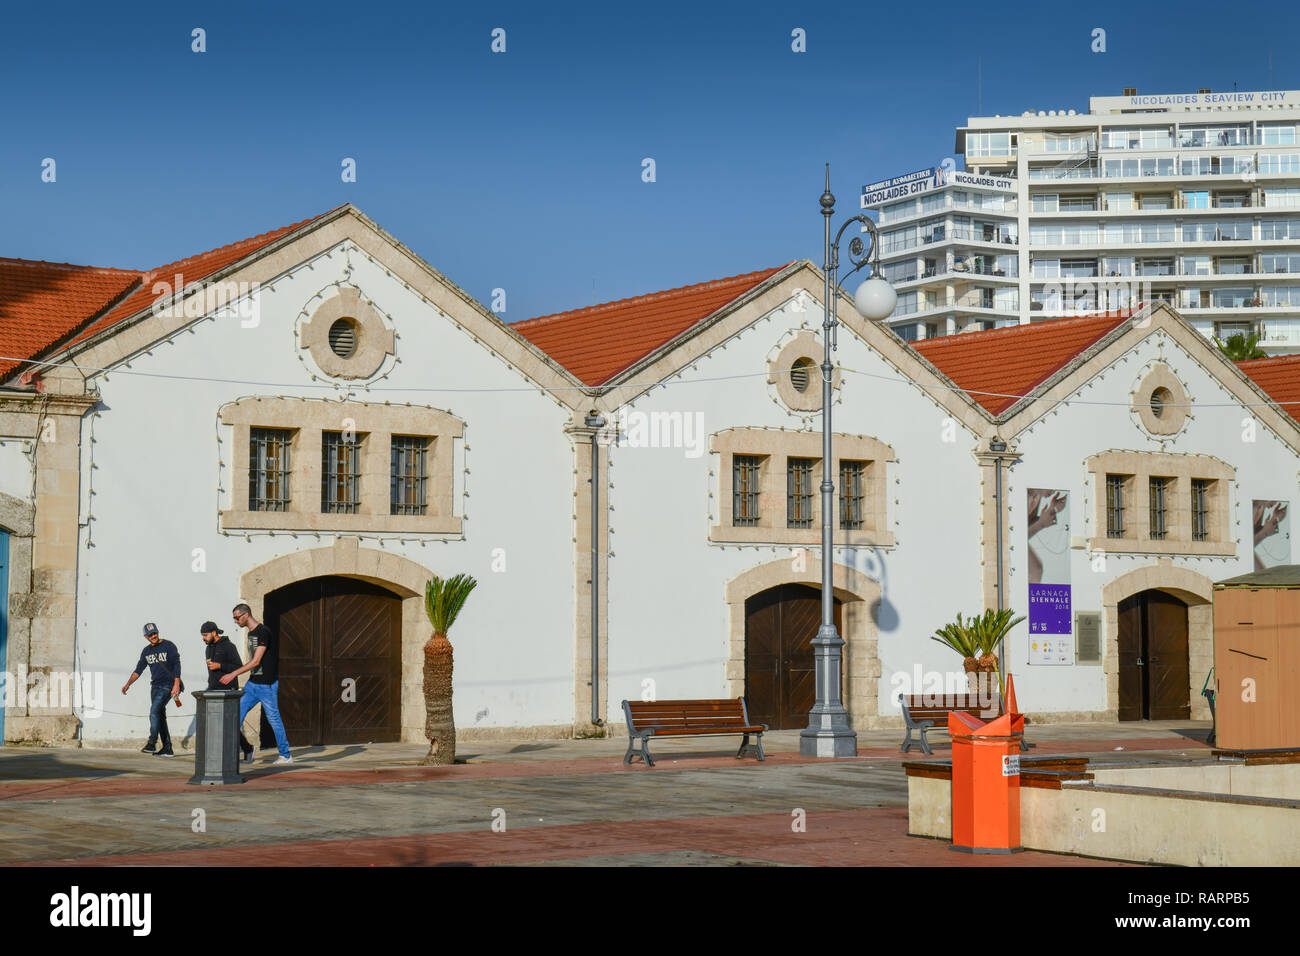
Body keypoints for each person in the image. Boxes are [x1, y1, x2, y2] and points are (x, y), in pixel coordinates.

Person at [221, 603, 291, 764]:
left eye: (237, 618)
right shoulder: (250, 633)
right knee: (234, 717)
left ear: (246, 615)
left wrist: (233, 673)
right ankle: (237, 753)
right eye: (234, 618)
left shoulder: (263, 632)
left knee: (274, 718)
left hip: (267, 684)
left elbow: (256, 661)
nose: (235, 621)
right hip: (253, 684)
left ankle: (285, 755)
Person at [121, 623, 181, 757]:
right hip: (155, 687)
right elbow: (138, 670)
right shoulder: (146, 651)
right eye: (150, 635)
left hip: (168, 685)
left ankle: (152, 743)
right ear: (145, 637)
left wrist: (176, 684)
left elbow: (177, 664)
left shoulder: (168, 646)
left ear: (158, 632)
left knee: (154, 711)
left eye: (155, 633)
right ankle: (167, 748)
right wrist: (128, 684)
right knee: (160, 716)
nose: (153, 636)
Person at [201, 621, 255, 762]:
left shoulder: (228, 646)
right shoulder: (208, 648)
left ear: (214, 633)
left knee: (228, 725)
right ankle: (218, 755)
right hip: (213, 690)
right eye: (202, 635)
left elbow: (238, 666)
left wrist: (220, 665)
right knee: (214, 725)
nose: (203, 638)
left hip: (228, 690)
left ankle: (247, 749)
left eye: (205, 635)